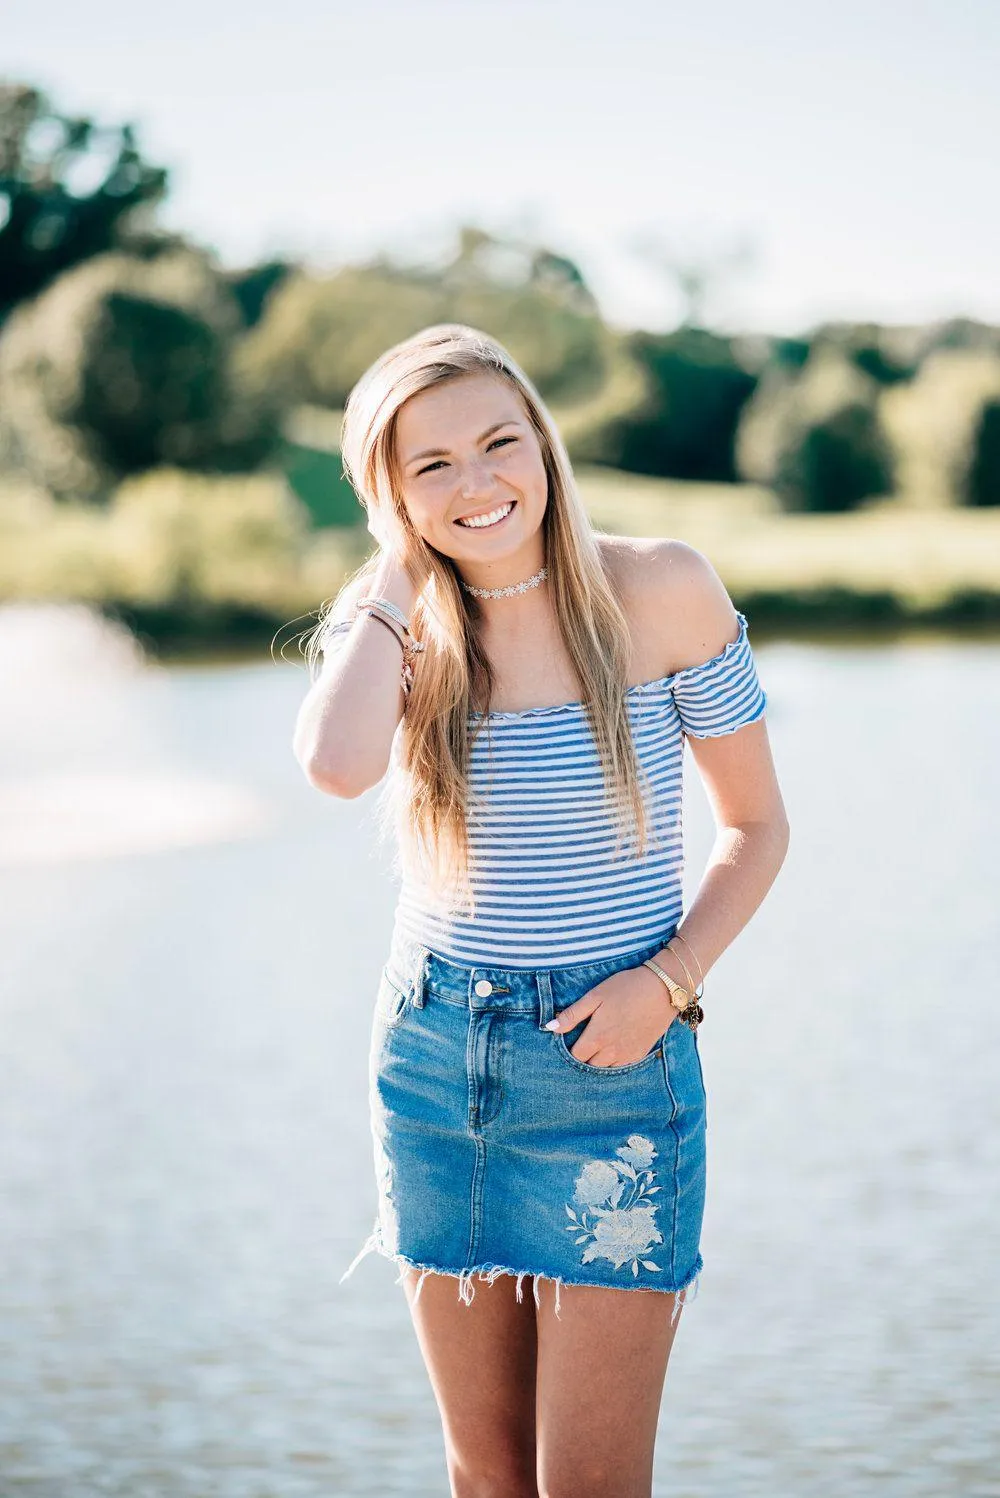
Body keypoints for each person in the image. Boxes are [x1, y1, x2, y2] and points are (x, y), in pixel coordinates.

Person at [293, 324, 790, 1498]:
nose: (478, 482)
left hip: (611, 1064)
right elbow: (335, 766)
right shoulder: (395, 625)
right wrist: (398, 573)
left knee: (592, 1484)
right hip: (433, 1061)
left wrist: (665, 984)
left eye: (499, 442)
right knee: (486, 1475)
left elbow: (757, 827)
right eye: (430, 464)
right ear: (388, 493)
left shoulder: (661, 590)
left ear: (544, 443)